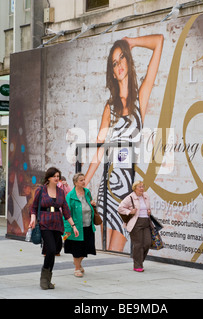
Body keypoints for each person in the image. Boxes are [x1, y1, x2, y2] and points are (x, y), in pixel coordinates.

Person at [84, 34, 164, 252]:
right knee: (108, 252)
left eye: (122, 58)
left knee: (116, 249)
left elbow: (159, 41)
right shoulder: (109, 108)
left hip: (125, 190)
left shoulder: (141, 98)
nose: (119, 65)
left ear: (128, 60)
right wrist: (82, 182)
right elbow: (99, 151)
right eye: (114, 62)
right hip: (107, 186)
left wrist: (133, 42)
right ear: (112, 70)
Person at [29, 167, 79, 289]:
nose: (57, 178)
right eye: (54, 176)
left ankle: (48, 279)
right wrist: (33, 218)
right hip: (44, 223)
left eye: (58, 176)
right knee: (50, 249)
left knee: (54, 251)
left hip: (57, 224)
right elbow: (34, 207)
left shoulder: (61, 192)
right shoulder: (41, 190)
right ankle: (44, 278)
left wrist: (73, 226)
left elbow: (66, 210)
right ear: (49, 177)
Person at [64, 173, 97, 277]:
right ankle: (77, 268)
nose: (84, 182)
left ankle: (78, 263)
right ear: (75, 183)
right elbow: (66, 213)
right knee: (77, 249)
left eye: (84, 180)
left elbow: (90, 203)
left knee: (88, 247)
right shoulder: (70, 196)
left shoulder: (87, 192)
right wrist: (68, 228)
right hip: (76, 227)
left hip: (88, 225)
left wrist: (93, 204)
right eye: (81, 180)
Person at [118, 180, 151, 272]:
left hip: (146, 222)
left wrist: (149, 212)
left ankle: (140, 261)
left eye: (143, 186)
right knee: (138, 244)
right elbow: (120, 208)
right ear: (135, 188)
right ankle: (137, 265)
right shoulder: (130, 197)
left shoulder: (146, 196)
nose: (142, 188)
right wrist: (129, 212)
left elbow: (147, 208)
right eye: (140, 187)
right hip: (136, 223)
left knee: (147, 243)